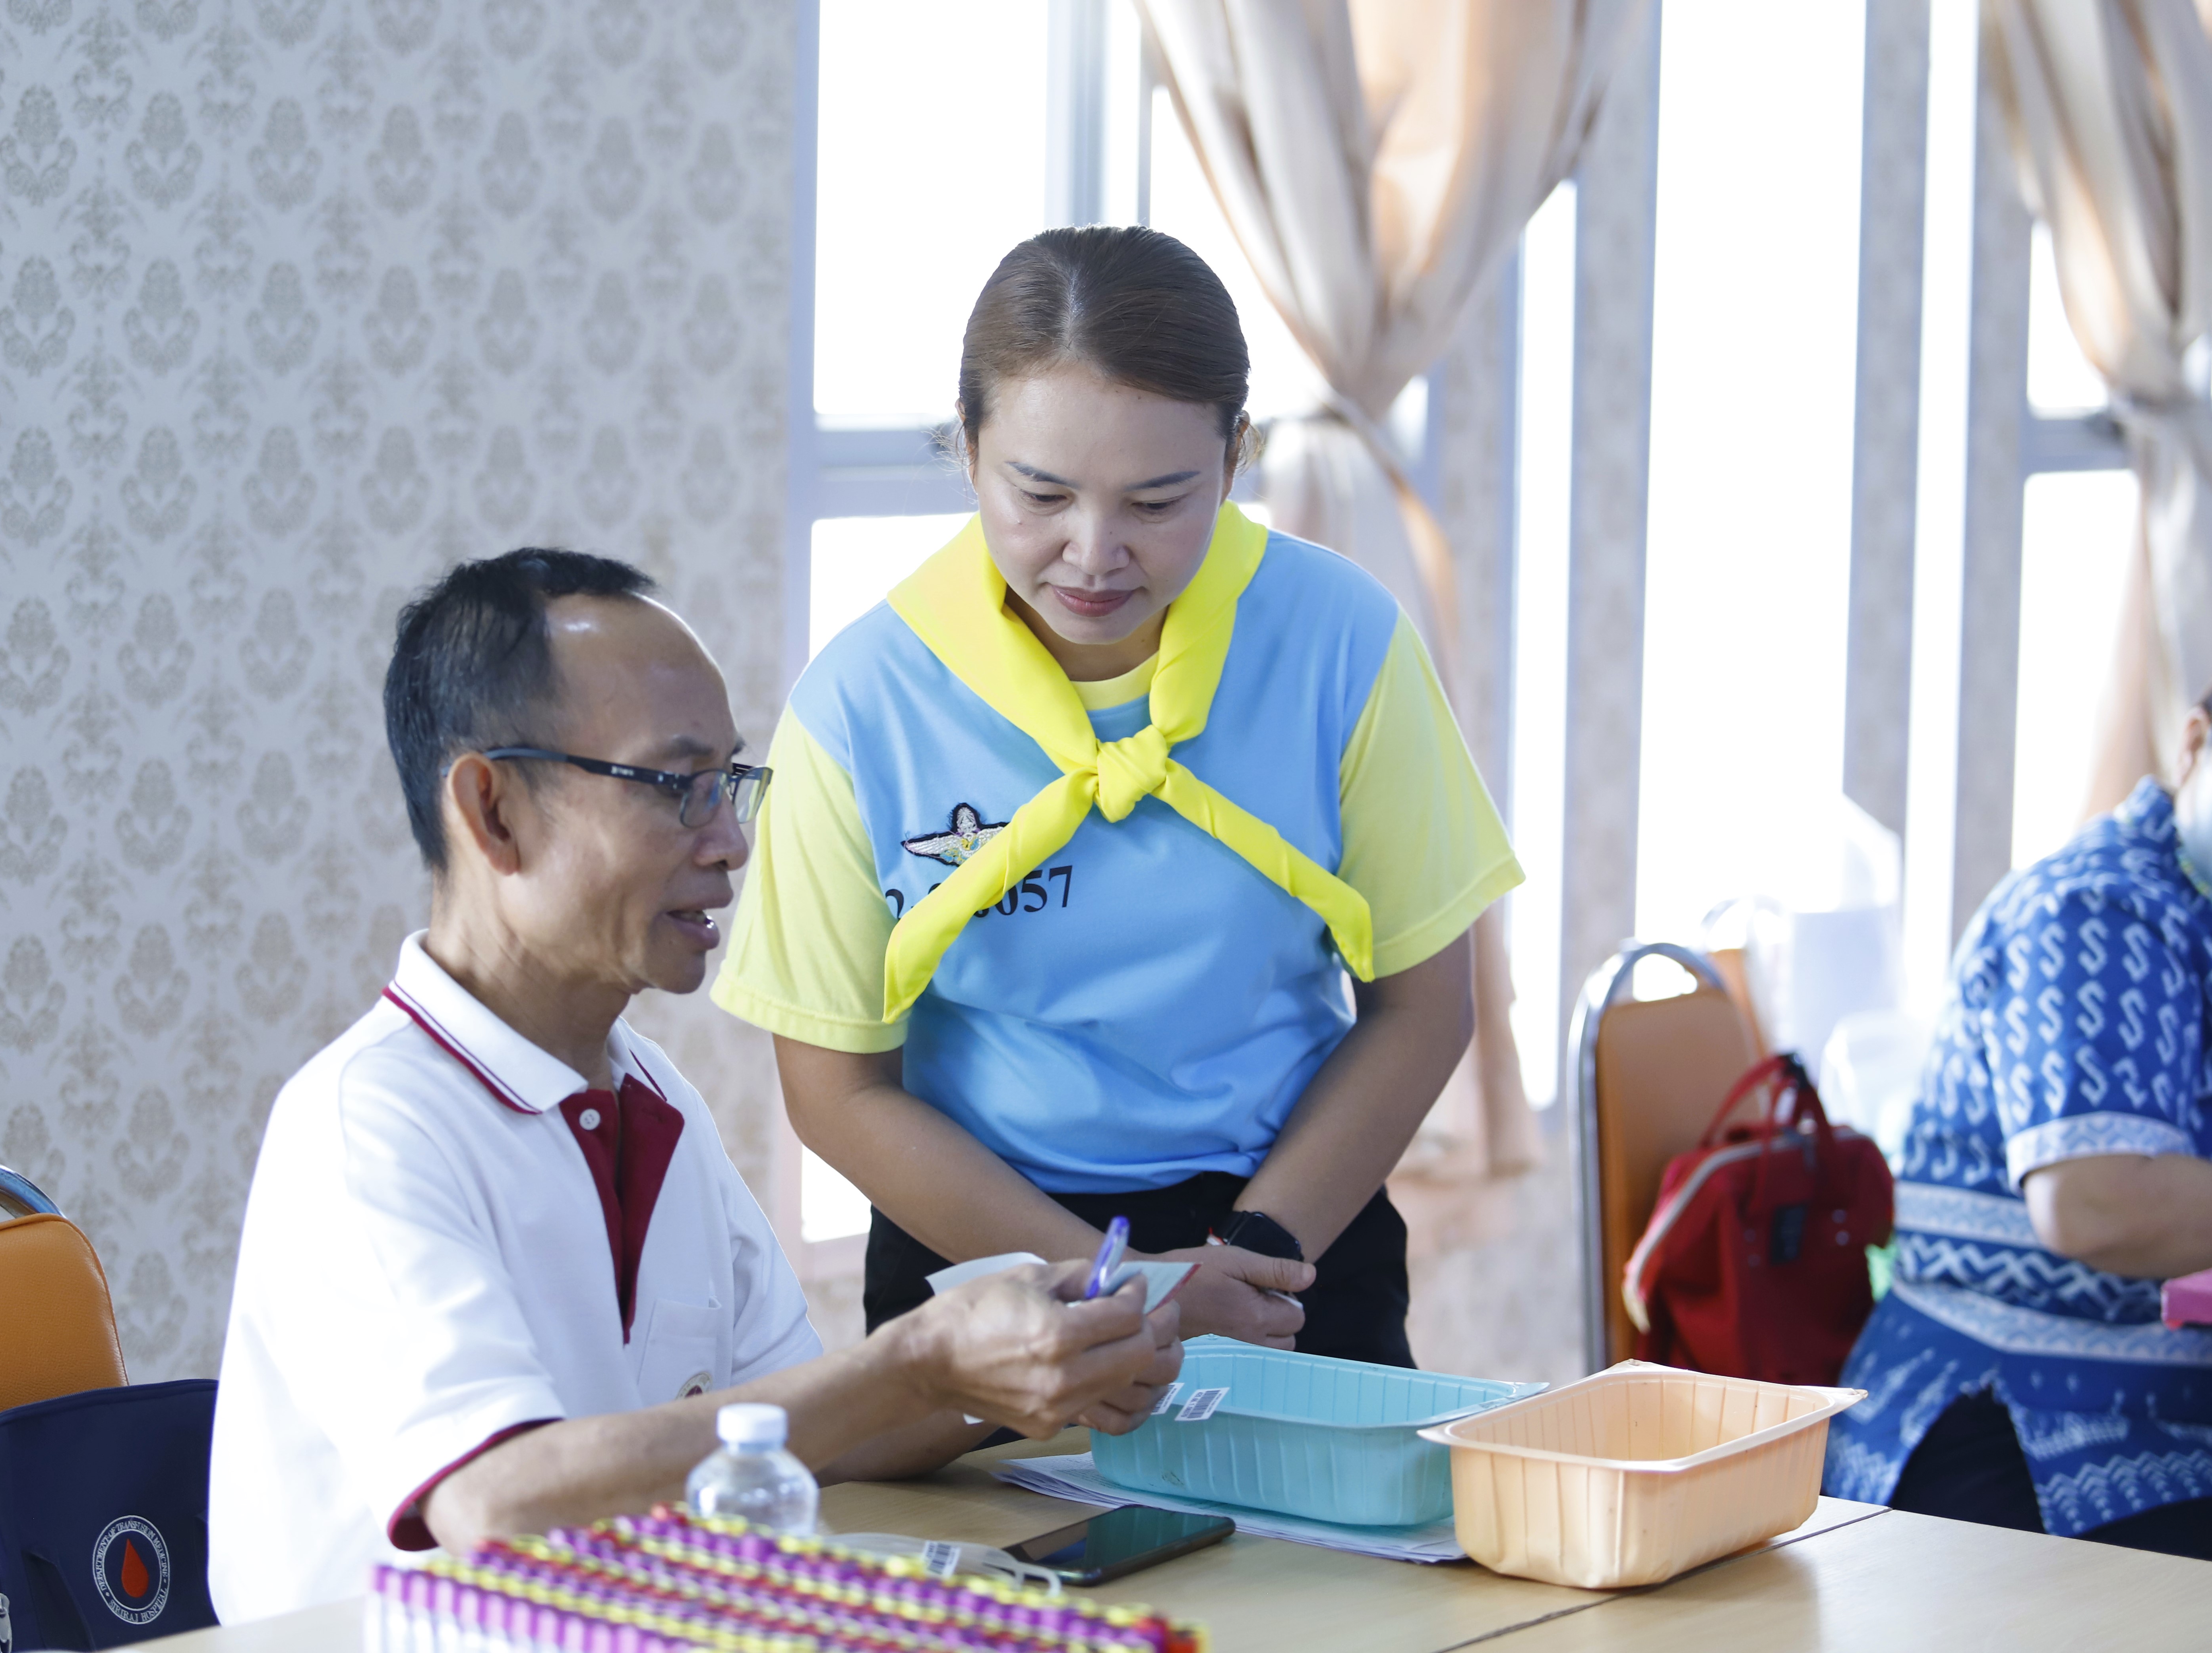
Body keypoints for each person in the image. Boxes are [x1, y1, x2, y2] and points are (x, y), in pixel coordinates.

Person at [206, 550, 1182, 1620]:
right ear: (493, 811)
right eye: (678, 788)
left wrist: (1020, 1362)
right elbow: (495, 1504)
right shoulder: (368, 1126)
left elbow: (812, 1429)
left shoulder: (655, 1098)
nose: (730, 845)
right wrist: (916, 1358)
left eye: (731, 783)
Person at [712, 226, 1520, 1365]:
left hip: (1288, 1232)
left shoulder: (1341, 641)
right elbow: (838, 1090)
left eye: (1157, 501)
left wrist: (1250, 1257)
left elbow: (1423, 1008)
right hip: (987, 1247)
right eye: (1041, 494)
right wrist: (1125, 1287)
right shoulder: (860, 704)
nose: (1093, 554)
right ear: (968, 448)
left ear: (1234, 459)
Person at [1825, 695, 2212, 1558]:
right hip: (2019, 1419)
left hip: (2162, 1415)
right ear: (2194, 741)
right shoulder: (2097, 907)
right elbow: (2097, 1201)